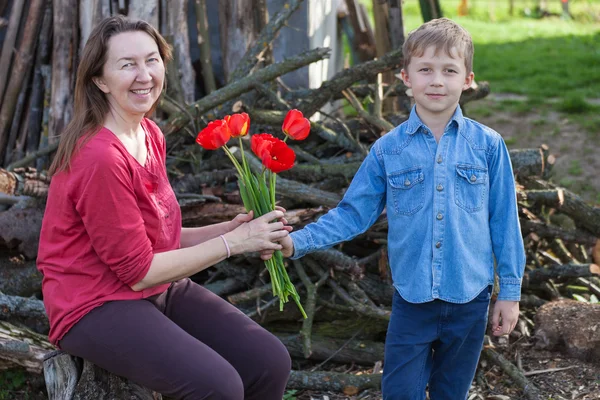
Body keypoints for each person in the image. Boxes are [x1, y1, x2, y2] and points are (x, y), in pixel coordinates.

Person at [37, 16, 292, 400]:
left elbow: (155, 240)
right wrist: (234, 244)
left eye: (152, 60)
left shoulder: (149, 133)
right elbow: (138, 271)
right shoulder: (100, 158)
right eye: (127, 65)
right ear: (100, 80)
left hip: (154, 287)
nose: (144, 75)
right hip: (93, 305)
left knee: (269, 360)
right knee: (218, 387)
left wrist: (230, 229)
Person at [280, 18, 526, 400]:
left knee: (451, 393)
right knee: (400, 393)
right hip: (413, 301)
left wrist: (509, 293)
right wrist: (298, 242)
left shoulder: (488, 146)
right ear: (406, 78)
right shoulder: (388, 150)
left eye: (449, 70)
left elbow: (505, 223)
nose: (437, 81)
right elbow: (353, 213)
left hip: (470, 300)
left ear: (468, 79)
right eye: (425, 70)